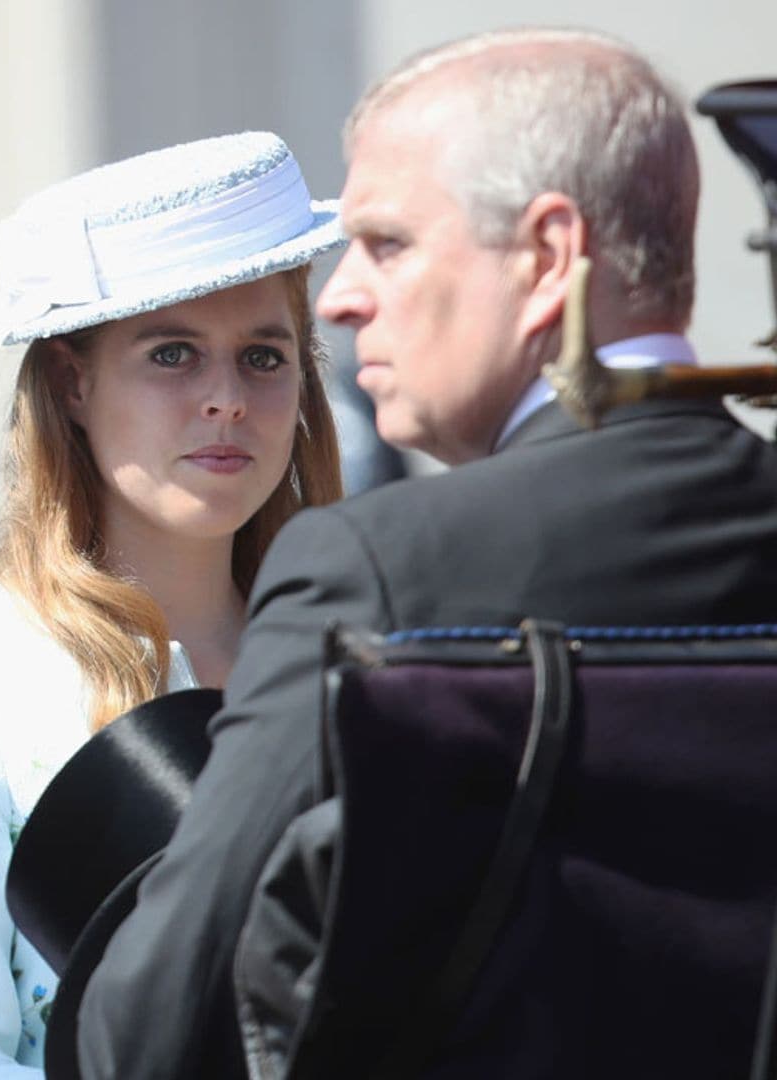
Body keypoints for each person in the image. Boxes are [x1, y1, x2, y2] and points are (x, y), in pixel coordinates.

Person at [70, 27, 777, 1079]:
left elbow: (153, 1031)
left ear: (546, 258)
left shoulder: (372, 568)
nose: (343, 298)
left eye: (387, 243)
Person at [0, 132, 346, 1077]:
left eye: (264, 357)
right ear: (71, 381)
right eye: (174, 353)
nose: (226, 398)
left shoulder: (358, 650)